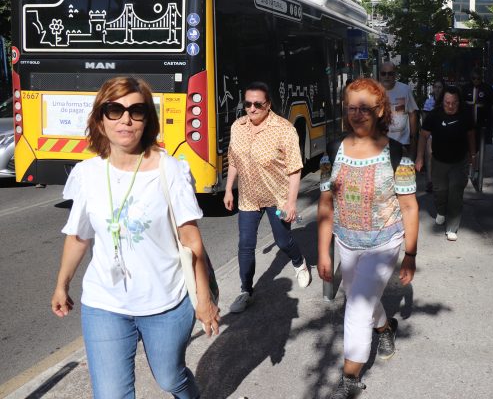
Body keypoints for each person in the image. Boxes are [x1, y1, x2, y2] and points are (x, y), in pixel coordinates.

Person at [51, 77, 219, 399]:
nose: (125, 119)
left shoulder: (171, 171)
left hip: (165, 302)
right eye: (114, 110)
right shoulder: (87, 174)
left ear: (147, 120)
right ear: (101, 119)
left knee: (170, 378)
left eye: (136, 111)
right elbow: (78, 236)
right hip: (104, 304)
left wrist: (204, 300)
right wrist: (62, 284)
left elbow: (191, 241)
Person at [317, 78, 419, 399]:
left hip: (384, 244)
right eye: (352, 108)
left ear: (380, 110)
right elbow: (325, 204)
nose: (358, 115)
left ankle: (349, 378)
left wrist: (410, 254)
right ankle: (385, 329)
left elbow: (409, 207)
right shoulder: (332, 151)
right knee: (362, 297)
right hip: (346, 242)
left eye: (365, 108)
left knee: (358, 306)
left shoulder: (397, 154)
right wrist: (324, 252)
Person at [224, 81, 311, 314]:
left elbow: (294, 168)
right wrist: (229, 189)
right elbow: (234, 160)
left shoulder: (283, 129)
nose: (252, 109)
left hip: (277, 196)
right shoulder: (238, 127)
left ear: (268, 104)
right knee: (245, 244)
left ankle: (299, 262)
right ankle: (246, 291)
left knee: (283, 241)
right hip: (249, 197)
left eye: (257, 104)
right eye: (247, 104)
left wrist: (291, 202)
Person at [416, 86, 475, 241]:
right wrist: (419, 157)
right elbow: (423, 136)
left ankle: (452, 227)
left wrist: (473, 155)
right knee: (440, 191)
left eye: (454, 103)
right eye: (447, 103)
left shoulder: (465, 115)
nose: (450, 106)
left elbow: (471, 135)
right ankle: (441, 210)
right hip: (439, 161)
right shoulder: (434, 115)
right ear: (442, 101)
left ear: (459, 102)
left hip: (459, 161)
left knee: (456, 192)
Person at [379, 62, 418, 154]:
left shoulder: (405, 89)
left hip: (402, 143)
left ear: (395, 75)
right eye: (383, 73)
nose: (387, 76)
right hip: (380, 144)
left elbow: (412, 114)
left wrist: (413, 139)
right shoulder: (374, 91)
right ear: (379, 75)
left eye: (390, 73)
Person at [462, 68, 493, 147]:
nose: (476, 80)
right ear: (471, 78)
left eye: (478, 78)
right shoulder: (465, 88)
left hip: (483, 123)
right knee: (468, 144)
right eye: (474, 78)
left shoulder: (487, 88)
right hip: (468, 123)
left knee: (481, 144)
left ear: (481, 78)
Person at [421, 78, 445, 192]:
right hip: (431, 133)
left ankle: (441, 180)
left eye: (440, 87)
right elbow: (425, 118)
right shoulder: (429, 101)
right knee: (429, 155)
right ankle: (430, 181)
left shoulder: (446, 101)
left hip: (444, 133)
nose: (437, 89)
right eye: (435, 87)